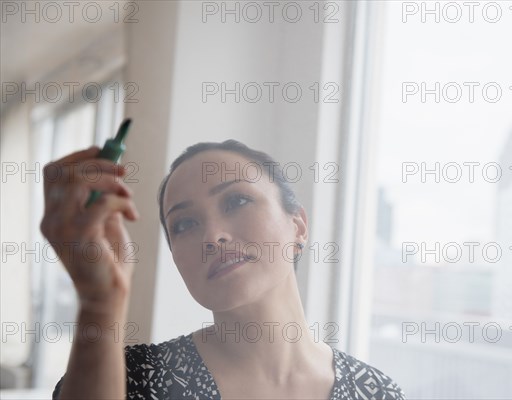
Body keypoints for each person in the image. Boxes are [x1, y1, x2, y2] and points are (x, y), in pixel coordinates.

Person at [45, 139, 405, 399]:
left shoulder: (377, 393)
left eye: (236, 201)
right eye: (184, 225)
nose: (213, 236)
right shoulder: (129, 381)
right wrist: (100, 300)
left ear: (298, 226)